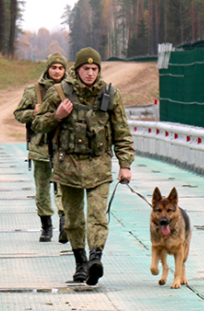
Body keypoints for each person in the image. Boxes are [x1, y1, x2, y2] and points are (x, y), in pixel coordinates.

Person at [33, 47, 134, 286]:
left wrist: (125, 164)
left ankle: (95, 259)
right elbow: (37, 124)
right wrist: (57, 116)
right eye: (86, 68)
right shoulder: (59, 92)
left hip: (99, 165)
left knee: (98, 216)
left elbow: (121, 132)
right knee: (74, 220)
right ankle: (80, 262)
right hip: (68, 167)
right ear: (77, 69)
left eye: (94, 68)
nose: (90, 73)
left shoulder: (110, 95)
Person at [14, 52, 68, 243]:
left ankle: (64, 223)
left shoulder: (71, 90)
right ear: (48, 69)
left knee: (64, 187)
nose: (57, 71)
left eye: (61, 68)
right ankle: (46, 227)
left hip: (64, 147)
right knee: (42, 190)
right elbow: (18, 114)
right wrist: (32, 113)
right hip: (40, 147)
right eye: (54, 67)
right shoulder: (34, 90)